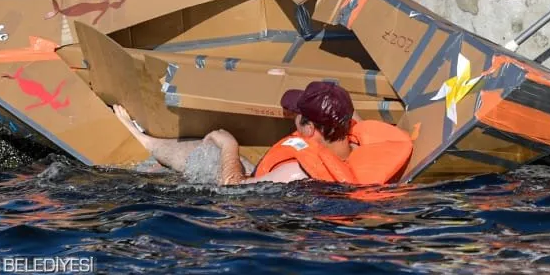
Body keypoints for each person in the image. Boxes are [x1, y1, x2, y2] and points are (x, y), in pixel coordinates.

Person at [113, 81, 412, 186]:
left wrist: (229, 144)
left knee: (221, 154)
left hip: (249, 209)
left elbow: (232, 189)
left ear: (309, 128)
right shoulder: (358, 142)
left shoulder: (296, 171)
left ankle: (145, 141)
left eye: (297, 117)